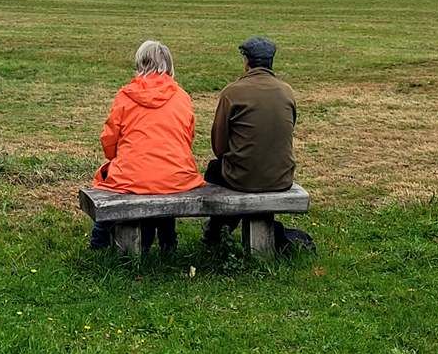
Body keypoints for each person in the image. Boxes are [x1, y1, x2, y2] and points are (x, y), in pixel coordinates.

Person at [89, 40, 204, 251]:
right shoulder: (182, 97)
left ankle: (99, 241)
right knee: (163, 183)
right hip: (176, 175)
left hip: (132, 175)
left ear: (140, 63)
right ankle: (168, 242)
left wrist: (119, 158)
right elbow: (188, 137)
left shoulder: (126, 96)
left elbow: (109, 139)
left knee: (108, 180)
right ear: (168, 65)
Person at [203, 36, 298, 246]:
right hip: (281, 177)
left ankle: (217, 231)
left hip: (243, 178)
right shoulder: (286, 91)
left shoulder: (232, 92)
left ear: (246, 61)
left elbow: (219, 147)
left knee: (214, 170)